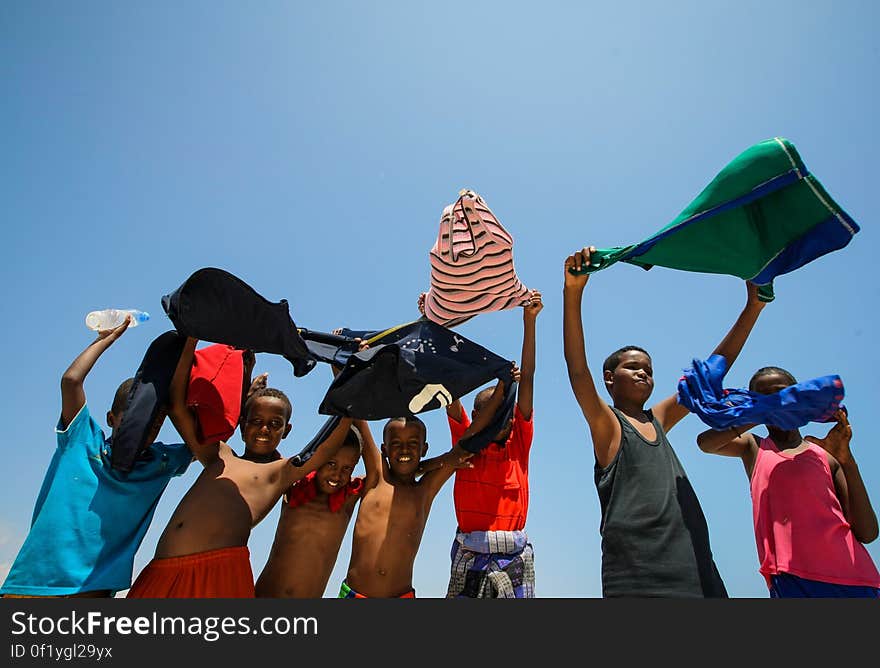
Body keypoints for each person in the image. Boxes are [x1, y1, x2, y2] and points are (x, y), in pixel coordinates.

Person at [562, 245, 767, 597]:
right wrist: (573, 292)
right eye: (633, 367)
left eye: (649, 370)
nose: (644, 373)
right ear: (610, 378)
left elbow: (711, 372)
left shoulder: (658, 419)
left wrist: (754, 306)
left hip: (697, 569)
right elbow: (579, 372)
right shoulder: (609, 424)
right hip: (640, 576)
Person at [127, 336, 353, 598]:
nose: (264, 429)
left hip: (219, 576)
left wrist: (346, 381)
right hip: (162, 572)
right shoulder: (218, 454)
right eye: (256, 421)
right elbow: (178, 407)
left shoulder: (280, 472)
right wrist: (191, 338)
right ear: (242, 425)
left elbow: (324, 446)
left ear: (287, 430)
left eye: (275, 424)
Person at [1, 316, 192, 598]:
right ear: (111, 418)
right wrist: (104, 340)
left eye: (156, 421)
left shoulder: (161, 461)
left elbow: (207, 441)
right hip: (35, 584)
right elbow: (71, 381)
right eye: (134, 418)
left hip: (94, 592)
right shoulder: (82, 440)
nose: (147, 428)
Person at [696, 367, 880, 597]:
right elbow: (706, 443)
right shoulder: (755, 447)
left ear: (797, 397)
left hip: (856, 578)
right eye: (766, 398)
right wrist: (758, 411)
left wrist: (846, 459)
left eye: (782, 395)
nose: (777, 403)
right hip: (790, 577)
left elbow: (868, 532)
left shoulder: (825, 456)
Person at [338, 402, 512, 597]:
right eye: (396, 444)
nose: (404, 450)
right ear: (384, 449)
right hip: (355, 594)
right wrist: (339, 370)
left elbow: (468, 442)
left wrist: (501, 390)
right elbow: (355, 411)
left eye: (413, 444)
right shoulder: (376, 478)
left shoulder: (424, 491)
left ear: (424, 449)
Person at [442, 289, 542, 598]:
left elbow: (528, 379)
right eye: (492, 413)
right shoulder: (466, 441)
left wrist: (529, 320)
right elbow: (446, 383)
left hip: (514, 553)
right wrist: (439, 325)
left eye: (507, 413)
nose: (504, 419)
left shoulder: (518, 443)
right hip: (469, 551)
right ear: (473, 417)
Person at [255, 419, 380, 597]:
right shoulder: (295, 484)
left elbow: (377, 473)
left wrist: (358, 416)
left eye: (347, 468)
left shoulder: (348, 499)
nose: (337, 474)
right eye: (331, 463)